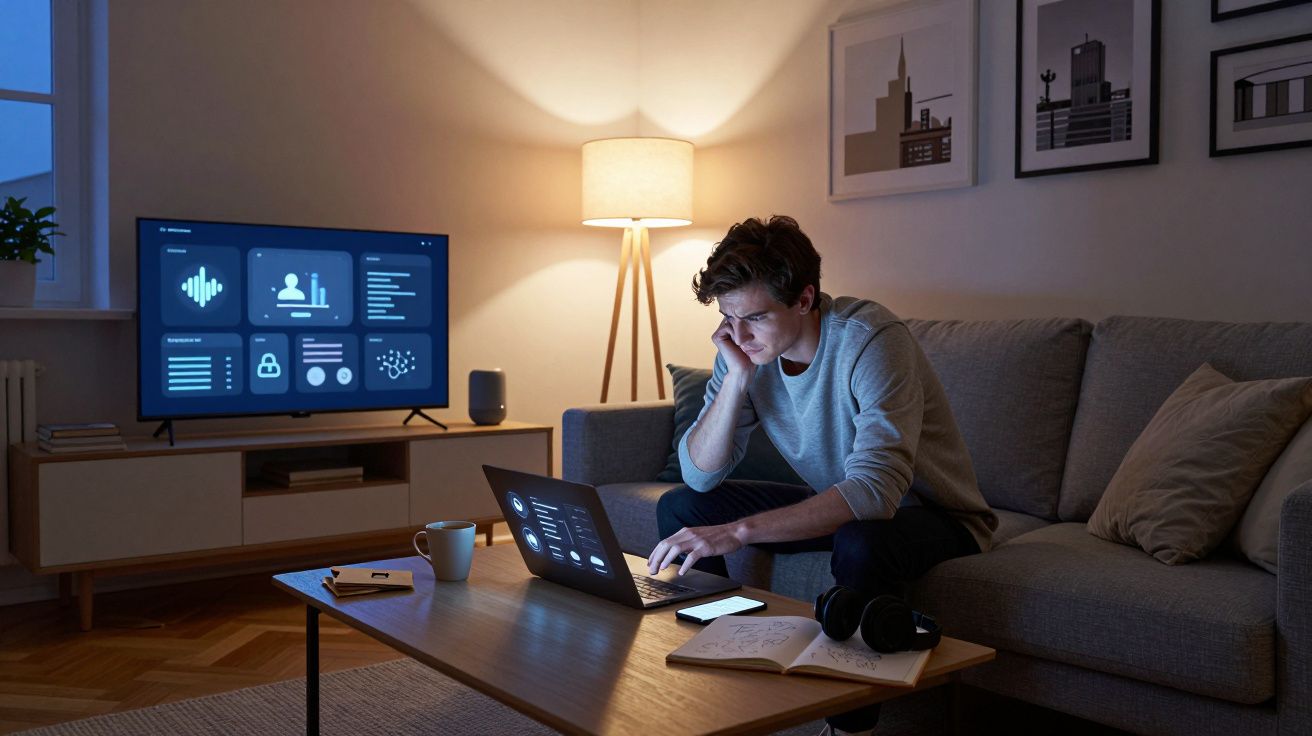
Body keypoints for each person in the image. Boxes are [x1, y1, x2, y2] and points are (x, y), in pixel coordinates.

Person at [646, 215, 996, 736]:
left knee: (861, 542)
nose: (738, 335)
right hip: (841, 501)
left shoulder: (872, 339)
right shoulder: (743, 350)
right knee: (680, 507)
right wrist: (737, 377)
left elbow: (876, 493)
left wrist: (740, 532)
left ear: (805, 299)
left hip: (935, 516)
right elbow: (700, 477)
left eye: (756, 318)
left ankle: (849, 724)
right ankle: (725, 661)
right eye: (727, 318)